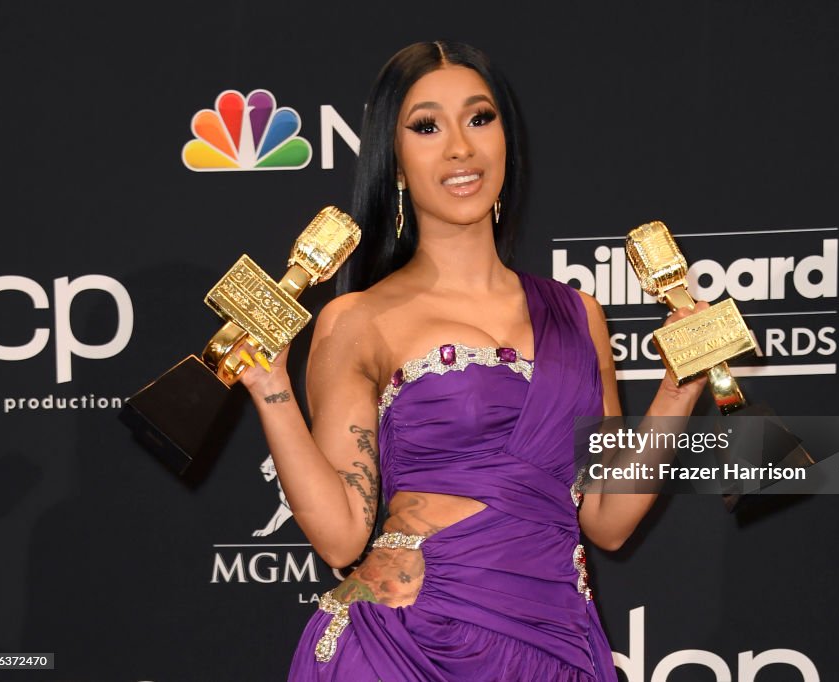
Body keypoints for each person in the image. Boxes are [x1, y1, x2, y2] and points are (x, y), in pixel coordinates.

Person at [235, 41, 707, 681]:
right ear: (395, 162)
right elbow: (343, 536)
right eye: (427, 126)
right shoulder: (358, 320)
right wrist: (270, 387)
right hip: (407, 643)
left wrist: (677, 393)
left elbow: (607, 519)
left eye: (479, 118)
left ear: (506, 141)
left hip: (553, 643)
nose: (460, 147)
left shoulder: (578, 314)